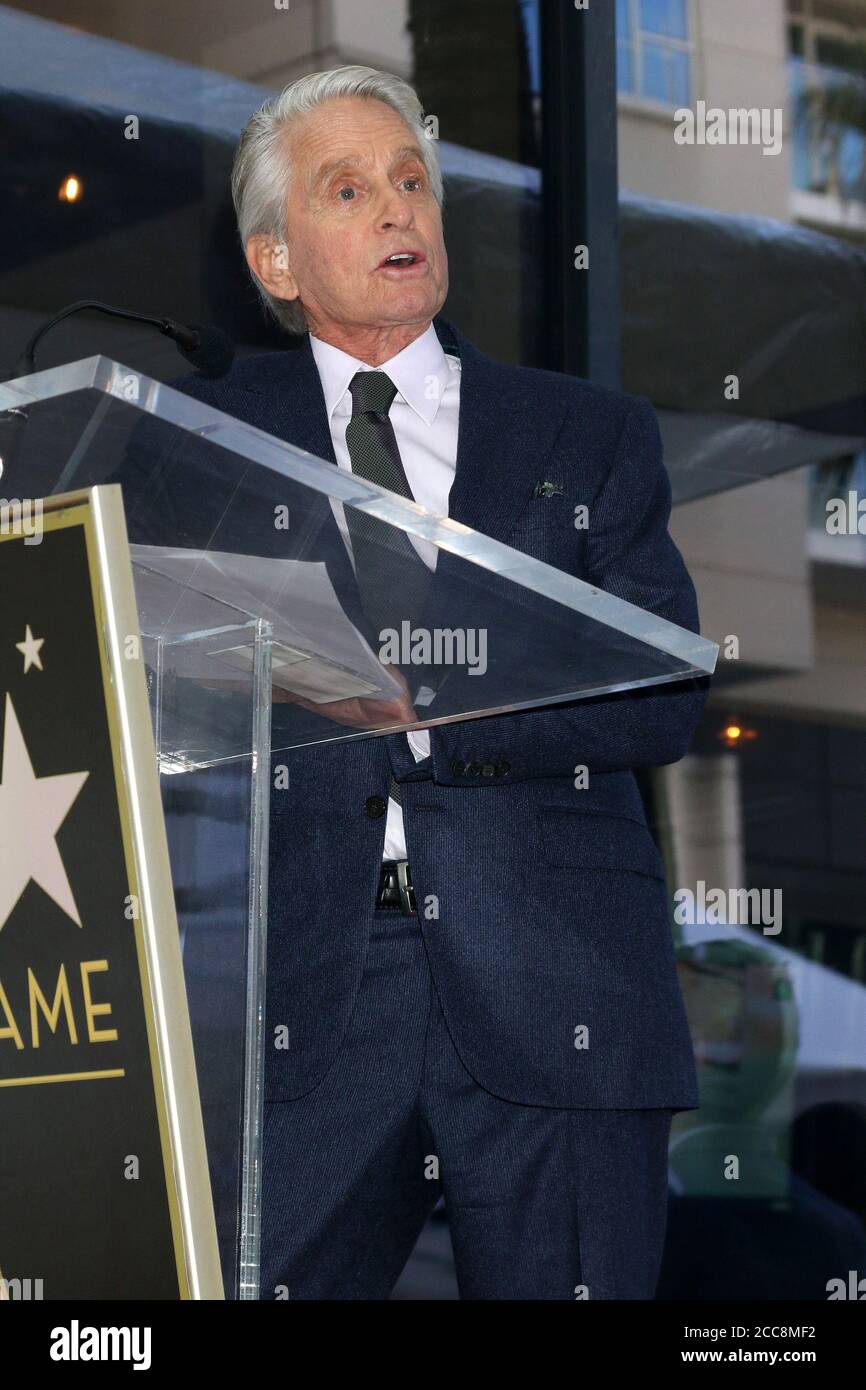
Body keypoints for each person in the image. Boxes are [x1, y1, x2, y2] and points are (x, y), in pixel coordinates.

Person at [170, 65, 710, 1300]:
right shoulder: (196, 438)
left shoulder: (583, 435)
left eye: (411, 182)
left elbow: (660, 687)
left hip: (556, 979)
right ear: (275, 263)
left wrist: (436, 709)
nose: (396, 210)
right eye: (348, 190)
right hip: (300, 993)